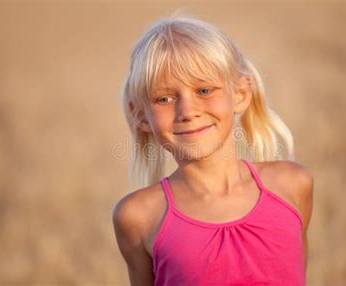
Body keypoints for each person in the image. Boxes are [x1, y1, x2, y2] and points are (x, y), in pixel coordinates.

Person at [112, 13, 314, 286]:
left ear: (240, 95)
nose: (187, 111)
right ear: (142, 116)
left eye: (205, 91)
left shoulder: (292, 185)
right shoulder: (138, 217)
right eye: (164, 98)